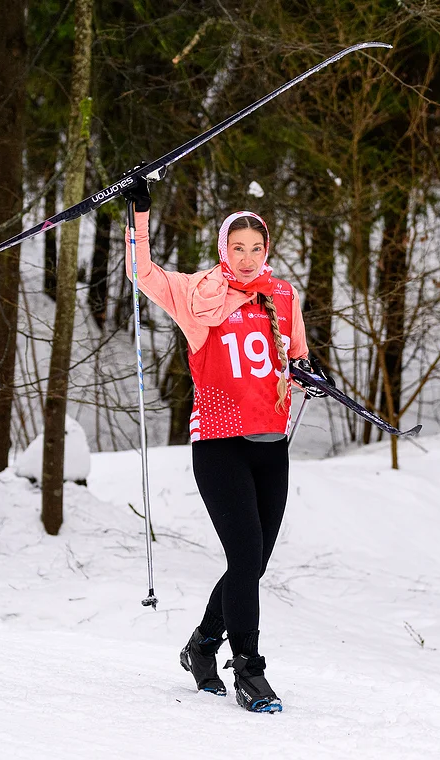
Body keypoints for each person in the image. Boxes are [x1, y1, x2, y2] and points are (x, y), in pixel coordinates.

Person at [122, 183, 329, 713]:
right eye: (237, 247)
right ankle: (250, 672)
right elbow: (142, 274)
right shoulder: (198, 294)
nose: (246, 257)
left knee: (252, 564)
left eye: (255, 248)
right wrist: (139, 215)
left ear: (267, 249)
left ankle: (201, 646)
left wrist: (310, 374)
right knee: (243, 554)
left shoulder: (282, 294)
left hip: (270, 444)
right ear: (223, 248)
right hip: (218, 443)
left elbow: (296, 359)